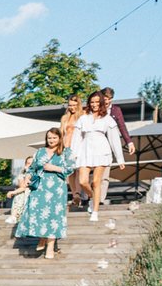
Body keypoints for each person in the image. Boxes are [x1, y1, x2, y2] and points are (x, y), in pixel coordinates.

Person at [15, 128, 76, 260]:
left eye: (54, 137)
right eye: (49, 138)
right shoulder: (40, 152)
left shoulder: (66, 152)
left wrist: (55, 168)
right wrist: (27, 178)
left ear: (60, 138)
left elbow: (71, 168)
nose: (52, 140)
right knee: (39, 214)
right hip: (40, 188)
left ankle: (50, 246)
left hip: (57, 189)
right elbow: (31, 168)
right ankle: (42, 238)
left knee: (54, 217)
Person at [75, 92, 125, 223]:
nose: (94, 104)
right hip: (85, 151)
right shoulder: (83, 119)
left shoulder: (108, 119)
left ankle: (95, 211)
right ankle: (93, 198)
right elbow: (76, 138)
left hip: (102, 151)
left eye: (97, 102)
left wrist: (120, 158)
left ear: (102, 103)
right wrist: (73, 154)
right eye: (92, 102)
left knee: (96, 182)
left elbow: (114, 139)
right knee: (82, 181)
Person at [59, 95, 87, 206]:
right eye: (70, 105)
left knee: (79, 171)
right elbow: (61, 133)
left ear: (78, 105)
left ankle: (77, 194)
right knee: (70, 172)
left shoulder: (83, 116)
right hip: (67, 147)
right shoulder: (65, 118)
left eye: (74, 105)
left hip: (78, 146)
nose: (72, 108)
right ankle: (75, 193)